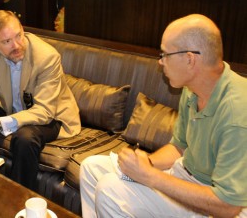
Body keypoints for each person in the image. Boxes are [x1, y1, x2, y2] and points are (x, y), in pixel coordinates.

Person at [79, 14, 247, 217]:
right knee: (91, 167)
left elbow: (227, 206)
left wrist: (151, 177)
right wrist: (144, 164)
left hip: (213, 200)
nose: (160, 62)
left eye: (165, 54)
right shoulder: (191, 89)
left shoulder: (237, 114)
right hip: (184, 174)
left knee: (110, 189)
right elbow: (179, 147)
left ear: (190, 59)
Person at [0, 10, 81, 190]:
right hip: (15, 110)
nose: (17, 45)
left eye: (19, 36)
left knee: (25, 138)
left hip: (53, 116)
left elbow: (44, 112)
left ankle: (18, 201)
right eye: (7, 41)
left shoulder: (47, 57)